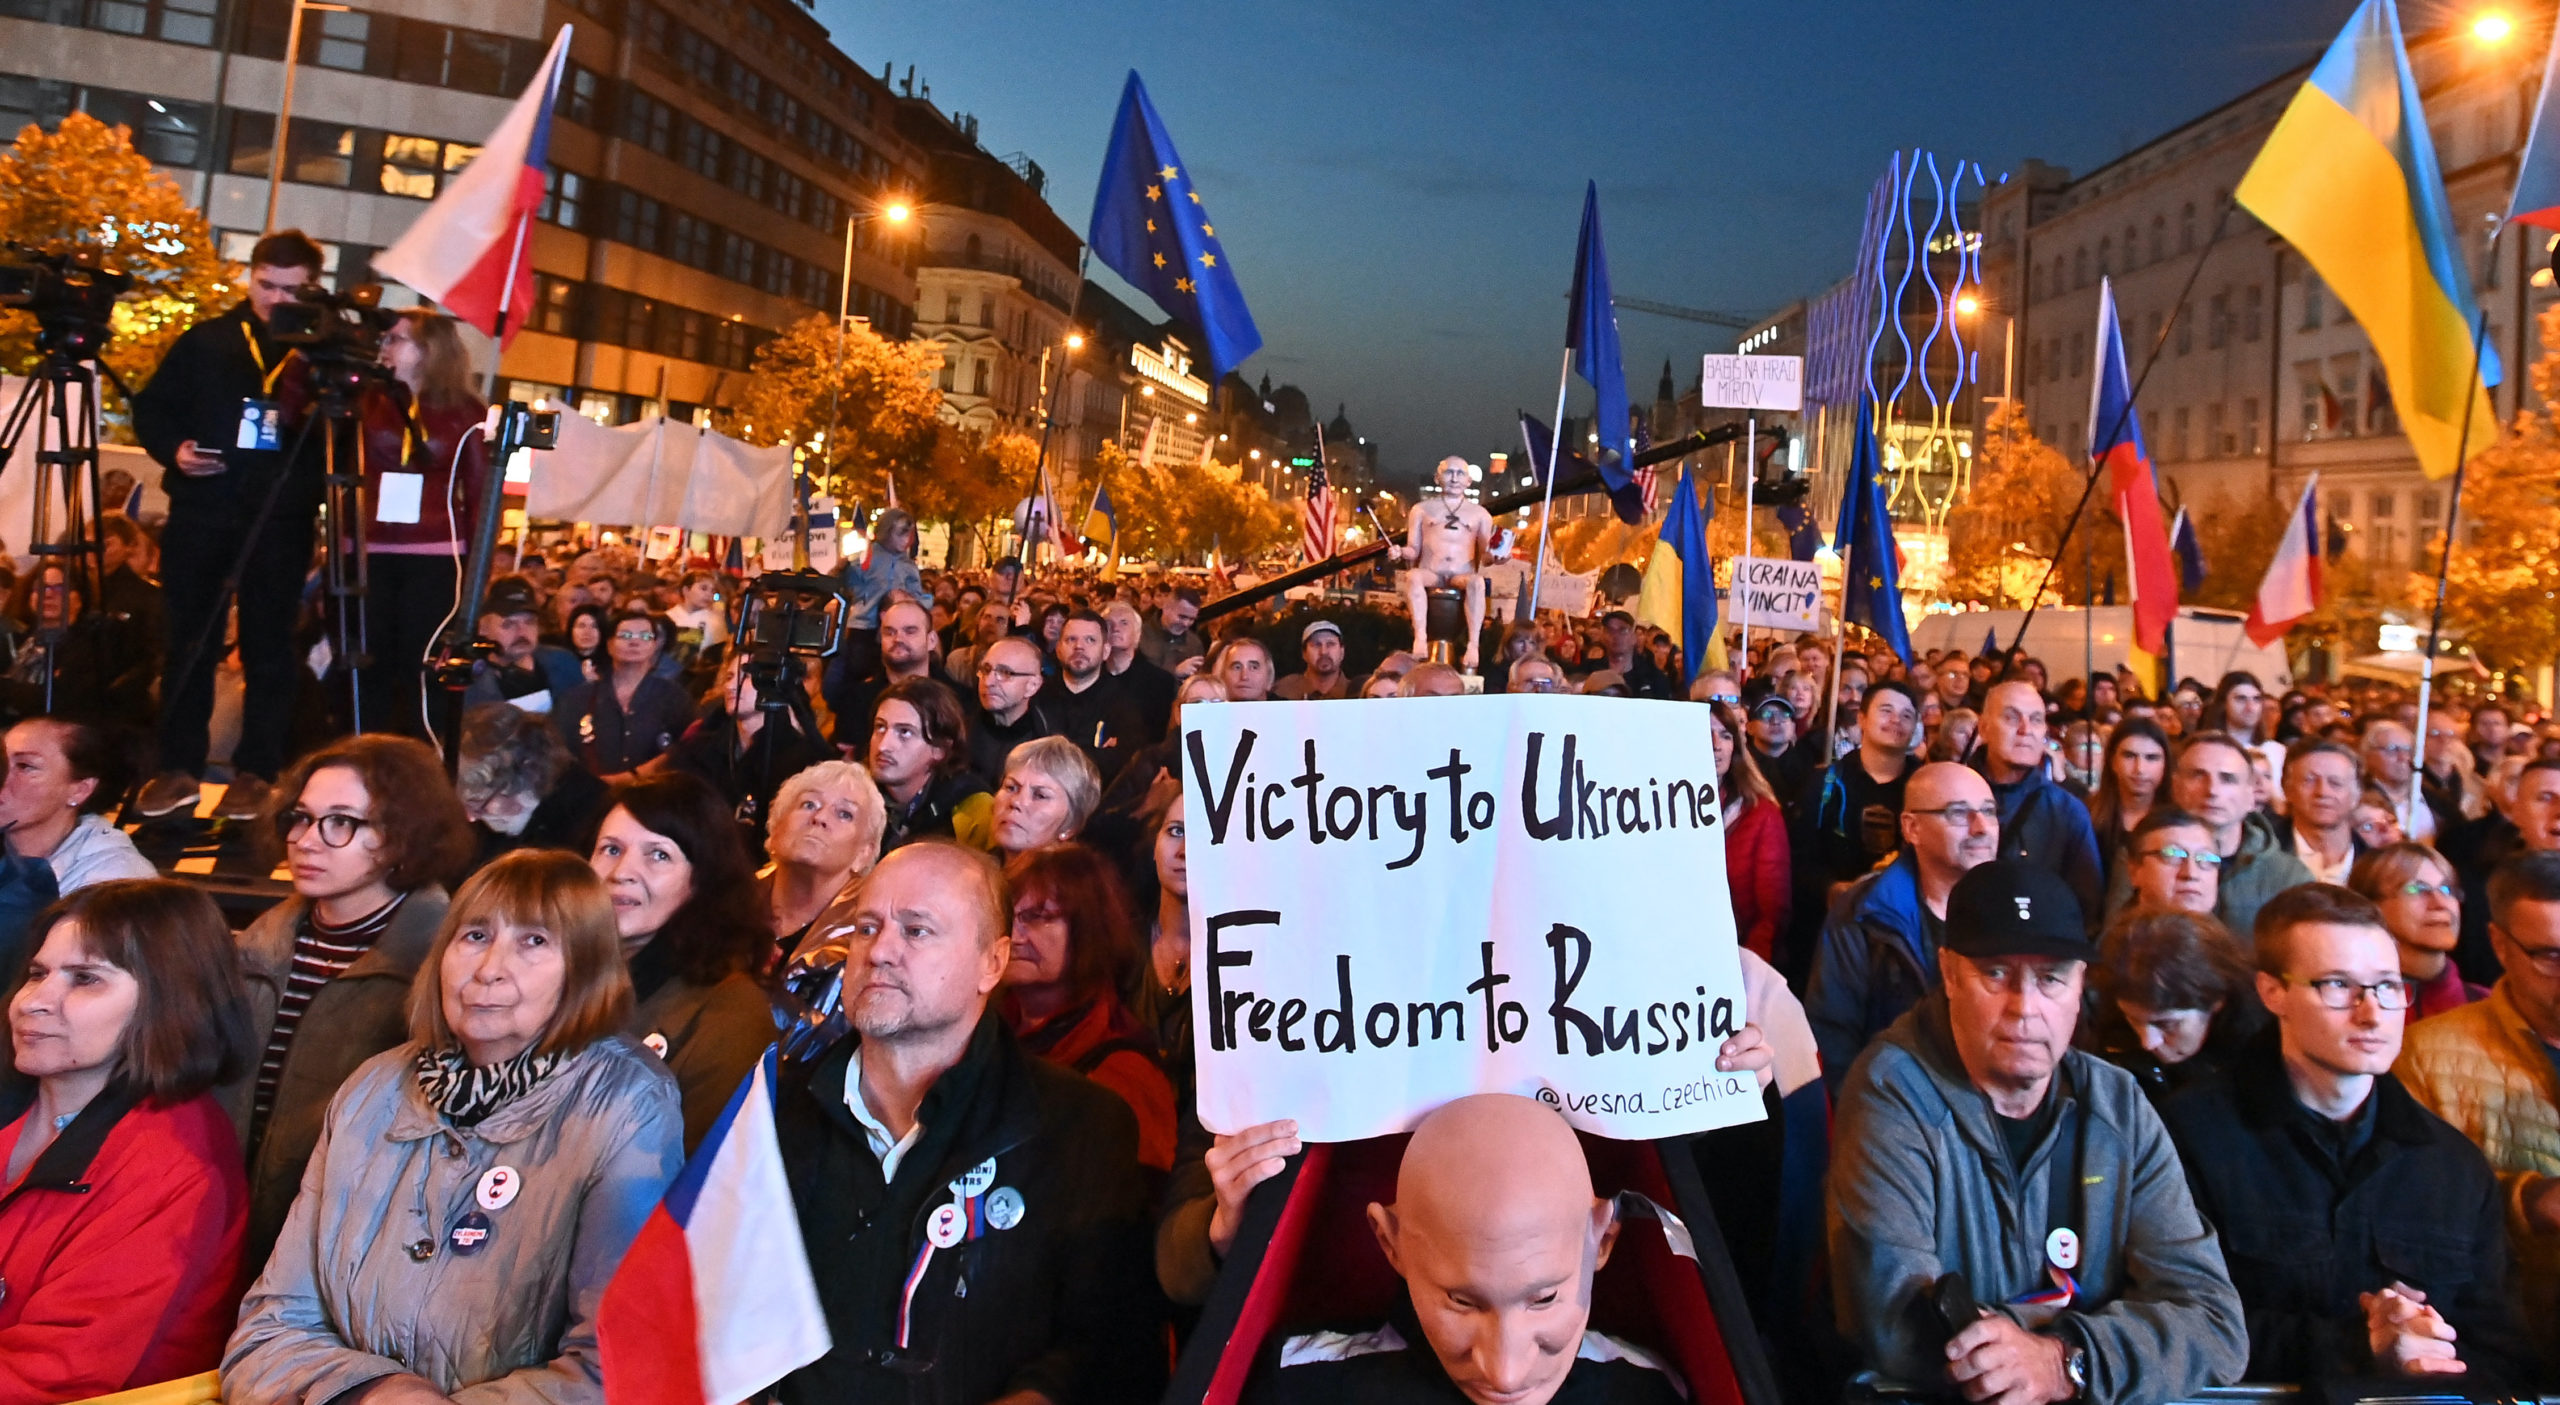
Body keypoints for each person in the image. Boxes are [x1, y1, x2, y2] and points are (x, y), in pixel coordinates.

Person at [221, 850, 685, 1405]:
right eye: (474, 936)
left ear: (585, 970)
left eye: (534, 941)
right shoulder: (373, 1088)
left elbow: (616, 1367)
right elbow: (269, 1328)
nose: (489, 968)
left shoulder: (628, 1104)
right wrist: (371, 1392)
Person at [1828, 860, 2248, 1405]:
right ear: (1950, 973)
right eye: (1996, 973)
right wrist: (2101, 1341)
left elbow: (2216, 1324)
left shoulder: (2118, 1106)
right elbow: (1900, 1329)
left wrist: (2065, 1360)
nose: (2025, 1009)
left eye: (2050, 977)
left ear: (2080, 986)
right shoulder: (1892, 1092)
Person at [770, 841, 1163, 1404]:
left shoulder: (1081, 1129)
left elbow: (1111, 1350)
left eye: (916, 930)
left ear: (992, 963)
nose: (880, 951)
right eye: (865, 927)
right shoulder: (775, 1115)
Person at [2157, 884, 2530, 1387]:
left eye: (2387, 986)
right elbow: (2174, 1323)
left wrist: (2430, 1344)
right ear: (2273, 992)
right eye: (2337, 985)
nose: (2371, 1014)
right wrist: (2359, 1345)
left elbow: (2501, 1351)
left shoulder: (2452, 1165)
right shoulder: (2187, 1137)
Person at [1243, 1094, 1688, 1405]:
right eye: (1462, 1302)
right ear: (1388, 1243)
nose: (1505, 1373)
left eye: (1544, 1299)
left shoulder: (1647, 1391)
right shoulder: (1302, 1389)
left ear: (1604, 1239)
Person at [0, 880, 254, 1401]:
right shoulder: (22, 1109)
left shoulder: (174, 1162)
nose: (35, 1001)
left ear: (169, 999)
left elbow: (55, 1375)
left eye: (85, 979)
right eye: (37, 974)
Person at [225, 735, 474, 1261]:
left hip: (341, 1245)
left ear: (400, 836)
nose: (307, 840)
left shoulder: (438, 966)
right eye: (301, 817)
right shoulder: (256, 948)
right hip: (221, 1226)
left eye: (342, 822)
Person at [130, 231, 329, 822]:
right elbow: (152, 408)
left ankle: (258, 771)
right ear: (250, 277)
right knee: (188, 639)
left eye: (290, 289)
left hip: (281, 516)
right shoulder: (207, 341)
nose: (275, 297)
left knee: (270, 645)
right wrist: (175, 450)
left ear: (311, 287)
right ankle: (178, 767)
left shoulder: (320, 354)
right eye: (266, 284)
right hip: (204, 507)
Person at [2395, 851, 2560, 1370]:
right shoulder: (2426, 1054)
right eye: (2550, 956)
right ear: (2499, 945)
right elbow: (2407, 1216)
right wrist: (2526, 1201)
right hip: (2501, 1345)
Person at [591, 774, 777, 1151]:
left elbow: (700, 1180)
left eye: (658, 855)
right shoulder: (556, 973)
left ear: (702, 880)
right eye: (610, 849)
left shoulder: (732, 1014)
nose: (622, 872)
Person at [1806, 762, 2000, 1091]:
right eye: (1958, 813)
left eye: (1990, 811)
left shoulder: (2018, 907)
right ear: (1911, 828)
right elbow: (1833, 1040)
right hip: (1891, 1110)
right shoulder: (1863, 914)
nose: (1981, 827)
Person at [1000, 843, 1176, 1171]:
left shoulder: (1121, 1069)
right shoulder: (984, 1027)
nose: (1013, 934)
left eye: (1037, 918)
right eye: (1009, 916)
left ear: (1088, 930)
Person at [357, 311, 488, 739]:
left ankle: (422, 764)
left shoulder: (466, 411)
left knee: (423, 665)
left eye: (396, 339)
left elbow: (482, 497)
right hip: (369, 551)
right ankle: (364, 761)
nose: (385, 346)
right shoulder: (369, 401)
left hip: (436, 557)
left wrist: (477, 575)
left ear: (428, 350)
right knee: (367, 663)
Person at [2085, 907, 2261, 1099]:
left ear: (2217, 1001)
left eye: (2166, 1024)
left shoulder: (2262, 1053)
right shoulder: (2112, 1040)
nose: (2148, 1042)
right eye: (2133, 1020)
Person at [2162, 732, 2312, 946]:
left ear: (2251, 795)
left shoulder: (2288, 875)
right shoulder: (2146, 854)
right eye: (2197, 775)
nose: (2212, 790)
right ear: (2175, 787)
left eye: (2228, 779)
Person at [1797, 681, 1922, 935]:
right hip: (1837, 925)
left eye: (1906, 715)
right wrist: (1829, 888)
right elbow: (1802, 855)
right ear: (1862, 719)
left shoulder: (1929, 787)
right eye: (1886, 711)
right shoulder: (1825, 783)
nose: (1896, 720)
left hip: (1907, 924)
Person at [1973, 680, 2104, 921]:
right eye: (2012, 718)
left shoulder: (2067, 810)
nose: (2025, 729)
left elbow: (2086, 904)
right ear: (1984, 728)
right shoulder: (1952, 795)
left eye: (2035, 719)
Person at [0, 716, 155, 892]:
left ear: (80, 790)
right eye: (2, 762)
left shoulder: (112, 883)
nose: (2, 775)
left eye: (25, 766)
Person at [456, 702, 609, 866]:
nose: (471, 817)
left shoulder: (591, 819)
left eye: (478, 803)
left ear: (529, 773)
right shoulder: (487, 828)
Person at [764, 759, 886, 961]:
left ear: (864, 853)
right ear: (776, 828)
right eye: (808, 804)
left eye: (844, 814)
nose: (820, 817)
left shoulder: (868, 942)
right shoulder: (722, 904)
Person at [556, 608, 693, 782]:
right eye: (625, 636)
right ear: (609, 645)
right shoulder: (576, 699)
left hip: (653, 796)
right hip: (590, 796)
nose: (635, 642)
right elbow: (560, 753)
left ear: (654, 646)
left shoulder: (674, 697)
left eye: (645, 637)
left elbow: (686, 751)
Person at [2349, 843, 2482, 1019]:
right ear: (2370, 907)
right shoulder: (2347, 1008)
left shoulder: (2490, 1006)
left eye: (2446, 889)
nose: (2440, 903)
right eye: (2417, 889)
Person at [1390, 456, 1499, 669]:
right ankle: (1420, 636)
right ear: (1437, 477)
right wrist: (1400, 551)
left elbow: (1485, 554)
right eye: (1449, 472)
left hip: (1462, 573)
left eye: (1460, 473)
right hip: (1431, 571)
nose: (1455, 478)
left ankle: (1473, 644)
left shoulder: (1480, 514)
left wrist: (1497, 556)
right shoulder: (1421, 509)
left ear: (1469, 481)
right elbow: (1414, 549)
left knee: (1477, 582)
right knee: (1412, 577)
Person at [869, 677, 993, 852]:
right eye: (880, 727)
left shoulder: (972, 806)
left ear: (940, 749)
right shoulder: (854, 794)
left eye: (905, 732)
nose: (883, 746)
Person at [1711, 700, 1791, 965]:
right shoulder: (1658, 811)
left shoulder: (1761, 815)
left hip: (1738, 958)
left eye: (1725, 735)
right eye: (1704, 733)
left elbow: (1772, 913)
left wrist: (1748, 970)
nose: (1715, 744)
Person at [1045, 611, 1144, 783]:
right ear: (1058, 648)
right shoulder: (1038, 696)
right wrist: (1093, 754)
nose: (1079, 647)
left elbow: (1123, 763)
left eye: (1090, 640)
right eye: (1071, 639)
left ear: (1106, 651)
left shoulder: (1124, 704)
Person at [461, 576, 586, 712]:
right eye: (508, 624)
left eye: (529, 622)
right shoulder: (469, 683)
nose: (521, 632)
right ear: (483, 628)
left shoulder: (564, 664)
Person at [829, 597, 938, 751]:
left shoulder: (957, 698)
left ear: (932, 640)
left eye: (910, 631)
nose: (898, 638)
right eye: (889, 632)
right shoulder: (855, 700)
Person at [965, 635, 1056, 788]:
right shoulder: (957, 733)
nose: (988, 682)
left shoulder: (1048, 746)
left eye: (1005, 673)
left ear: (1032, 685)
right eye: (985, 670)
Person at [991, 735, 1103, 858]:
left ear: (1071, 826)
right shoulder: (975, 871)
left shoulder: (1080, 877)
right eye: (1011, 788)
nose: (1016, 802)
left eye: (1040, 796)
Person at [2088, 718, 2169, 883]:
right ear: (2112, 761)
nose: (2140, 769)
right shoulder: (2085, 817)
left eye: (2152, 758)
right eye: (2129, 756)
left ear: (2165, 764)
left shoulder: (2180, 822)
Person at [2107, 808, 2222, 920]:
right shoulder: (2121, 938)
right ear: (2134, 870)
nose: (2191, 874)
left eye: (2206, 858)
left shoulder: (2227, 938)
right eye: (2172, 855)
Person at [2276, 741, 2363, 886]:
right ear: (2287, 789)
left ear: (2357, 794)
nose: (2323, 792)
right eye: (2309, 781)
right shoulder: (2260, 857)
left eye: (2336, 783)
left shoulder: (2377, 867)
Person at [1101, 600, 1177, 739]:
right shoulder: (1089, 678)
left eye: (1124, 623)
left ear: (1137, 634)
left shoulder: (1160, 682)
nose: (1115, 628)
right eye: (1108, 624)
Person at [1273, 618, 1351, 701]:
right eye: (1316, 644)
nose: (1323, 652)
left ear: (1342, 652)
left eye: (1330, 644)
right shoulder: (1283, 692)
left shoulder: (1359, 693)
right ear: (1304, 654)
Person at [1140, 584, 1206, 671]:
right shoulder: (1140, 636)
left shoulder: (1194, 643)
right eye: (1182, 617)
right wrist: (1175, 672)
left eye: (1192, 619)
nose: (1186, 624)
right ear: (1166, 608)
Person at [1214, 635, 1277, 702]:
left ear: (1269, 679)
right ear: (1222, 676)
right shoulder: (1209, 710)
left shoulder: (1287, 710)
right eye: (1237, 667)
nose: (1244, 676)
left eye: (1254, 667)